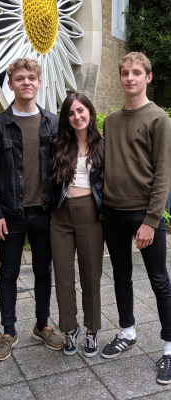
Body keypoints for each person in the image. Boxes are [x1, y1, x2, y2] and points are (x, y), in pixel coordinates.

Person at [0, 58, 64, 361]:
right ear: (11, 83)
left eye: (31, 77)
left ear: (39, 83)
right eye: (20, 78)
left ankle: (42, 325)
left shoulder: (53, 123)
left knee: (44, 271)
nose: (26, 82)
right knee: (8, 272)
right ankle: (8, 330)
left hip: (45, 212)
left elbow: (65, 165)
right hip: (10, 214)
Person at [101, 52, 171, 384]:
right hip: (113, 214)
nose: (130, 78)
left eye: (137, 72)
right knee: (121, 276)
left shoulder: (159, 119)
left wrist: (151, 221)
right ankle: (127, 332)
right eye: (125, 73)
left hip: (144, 215)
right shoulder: (111, 121)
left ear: (148, 77)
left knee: (160, 281)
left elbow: (163, 175)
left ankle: (169, 349)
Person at [49, 93, 104, 357]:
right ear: (66, 119)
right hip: (60, 215)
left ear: (90, 112)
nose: (77, 117)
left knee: (91, 275)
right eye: (71, 113)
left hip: (89, 213)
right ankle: (70, 331)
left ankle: (92, 331)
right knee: (62, 275)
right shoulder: (60, 144)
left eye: (81, 110)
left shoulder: (103, 145)